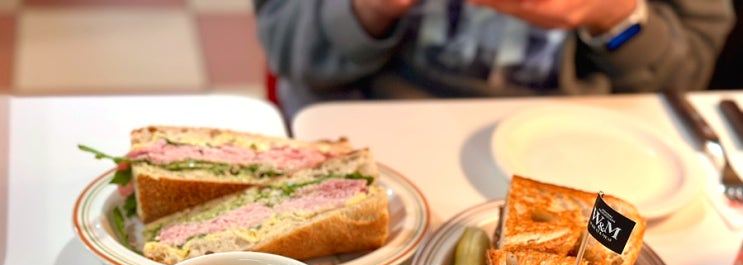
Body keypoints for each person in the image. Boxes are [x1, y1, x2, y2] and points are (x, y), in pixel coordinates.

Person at [254, 0, 734, 119]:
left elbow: (687, 73)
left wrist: (614, 15)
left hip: (584, 139)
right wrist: (370, 9)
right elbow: (286, 42)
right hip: (371, 124)